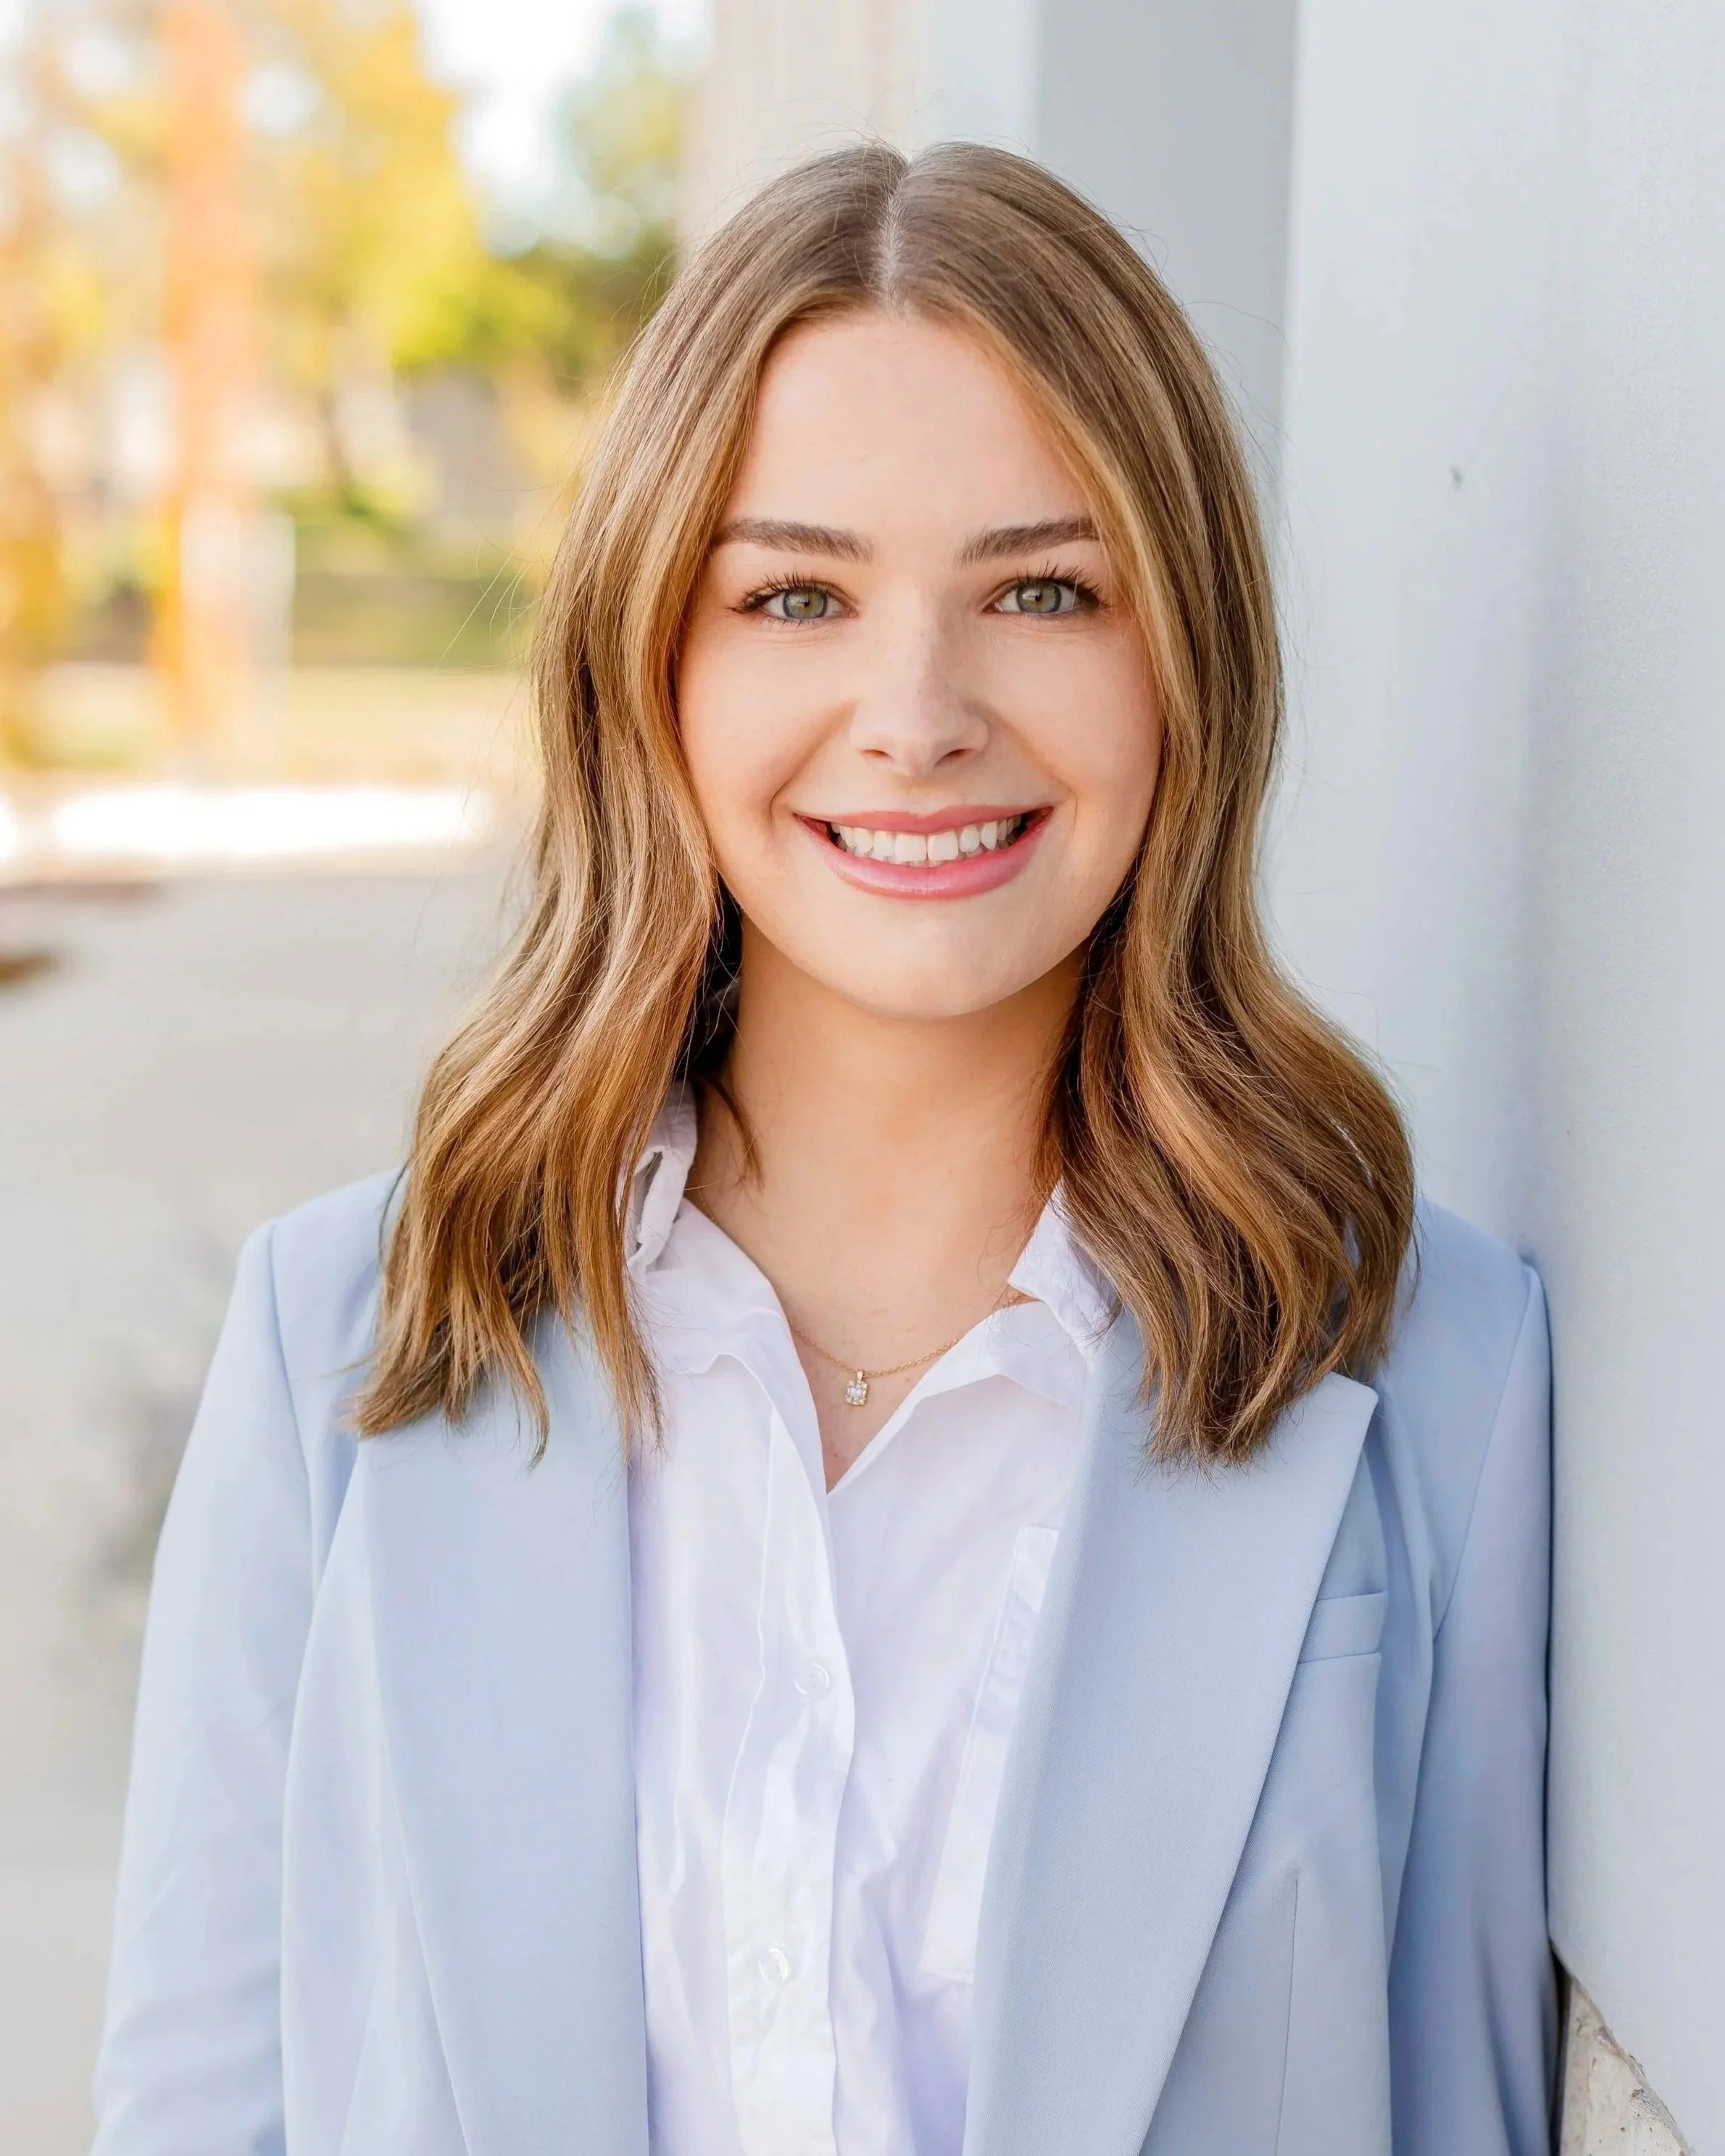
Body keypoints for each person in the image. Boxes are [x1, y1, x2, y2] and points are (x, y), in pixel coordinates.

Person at [91, 143, 1555, 2156]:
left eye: (1040, 589)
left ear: (1183, 657)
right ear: (650, 666)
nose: (917, 709)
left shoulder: (1433, 1371)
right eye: (795, 594)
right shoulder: (341, 1349)